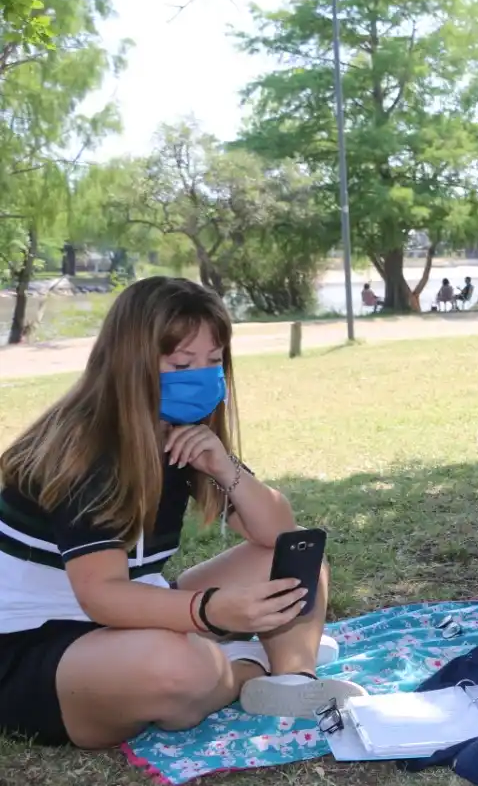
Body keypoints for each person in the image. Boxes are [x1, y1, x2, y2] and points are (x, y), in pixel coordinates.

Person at [0, 277, 366, 749]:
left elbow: (279, 531)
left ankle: (291, 680)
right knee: (175, 668)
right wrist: (207, 612)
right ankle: (247, 666)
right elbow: (100, 596)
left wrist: (222, 465)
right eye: (181, 362)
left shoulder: (179, 430)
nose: (202, 376)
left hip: (130, 615)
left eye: (214, 361)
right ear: (130, 362)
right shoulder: (85, 449)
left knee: (294, 557)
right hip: (36, 646)